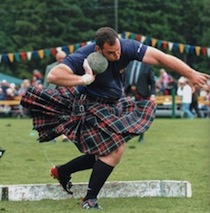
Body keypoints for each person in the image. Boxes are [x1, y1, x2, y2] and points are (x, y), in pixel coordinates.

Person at [21, 27, 210, 209]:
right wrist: (84, 80)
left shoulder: (126, 47)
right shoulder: (83, 55)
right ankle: (90, 200)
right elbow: (54, 75)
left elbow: (161, 57)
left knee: (105, 150)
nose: (117, 56)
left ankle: (62, 171)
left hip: (113, 103)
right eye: (111, 53)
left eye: (118, 50)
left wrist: (190, 73)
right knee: (115, 150)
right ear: (98, 49)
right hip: (89, 105)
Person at [123, 60, 156, 143]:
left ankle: (141, 136)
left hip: (142, 93)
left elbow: (152, 81)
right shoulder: (128, 64)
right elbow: (123, 77)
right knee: (125, 114)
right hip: (128, 92)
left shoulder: (147, 66)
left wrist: (153, 94)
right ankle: (125, 135)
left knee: (142, 116)